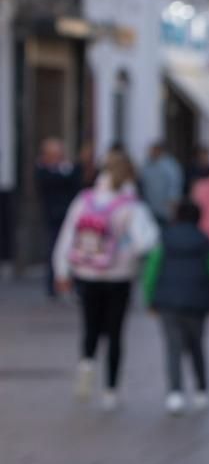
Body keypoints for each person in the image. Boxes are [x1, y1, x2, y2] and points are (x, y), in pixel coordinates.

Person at [52, 148, 158, 411]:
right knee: (115, 332)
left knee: (89, 324)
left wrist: (61, 270)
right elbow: (147, 241)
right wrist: (128, 252)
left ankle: (86, 364)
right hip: (119, 276)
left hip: (87, 273)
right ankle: (110, 390)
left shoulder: (85, 199)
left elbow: (68, 235)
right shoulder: (131, 205)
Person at [143, 199, 209, 415]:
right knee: (196, 345)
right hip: (197, 302)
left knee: (173, 347)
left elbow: (151, 271)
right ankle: (202, 390)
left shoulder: (164, 239)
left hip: (167, 302)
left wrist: (150, 299)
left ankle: (175, 393)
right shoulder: (205, 241)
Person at [35, 137, 82, 299]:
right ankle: (53, 285)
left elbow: (76, 183)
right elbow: (50, 184)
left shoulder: (69, 169)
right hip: (53, 216)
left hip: (69, 214)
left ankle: (74, 283)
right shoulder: (43, 170)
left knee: (74, 249)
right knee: (54, 250)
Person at [139, 142, 184, 226]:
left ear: (159, 151)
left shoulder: (170, 165)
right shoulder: (147, 164)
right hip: (151, 206)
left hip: (165, 207)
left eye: (153, 150)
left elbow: (174, 184)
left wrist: (173, 202)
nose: (150, 153)